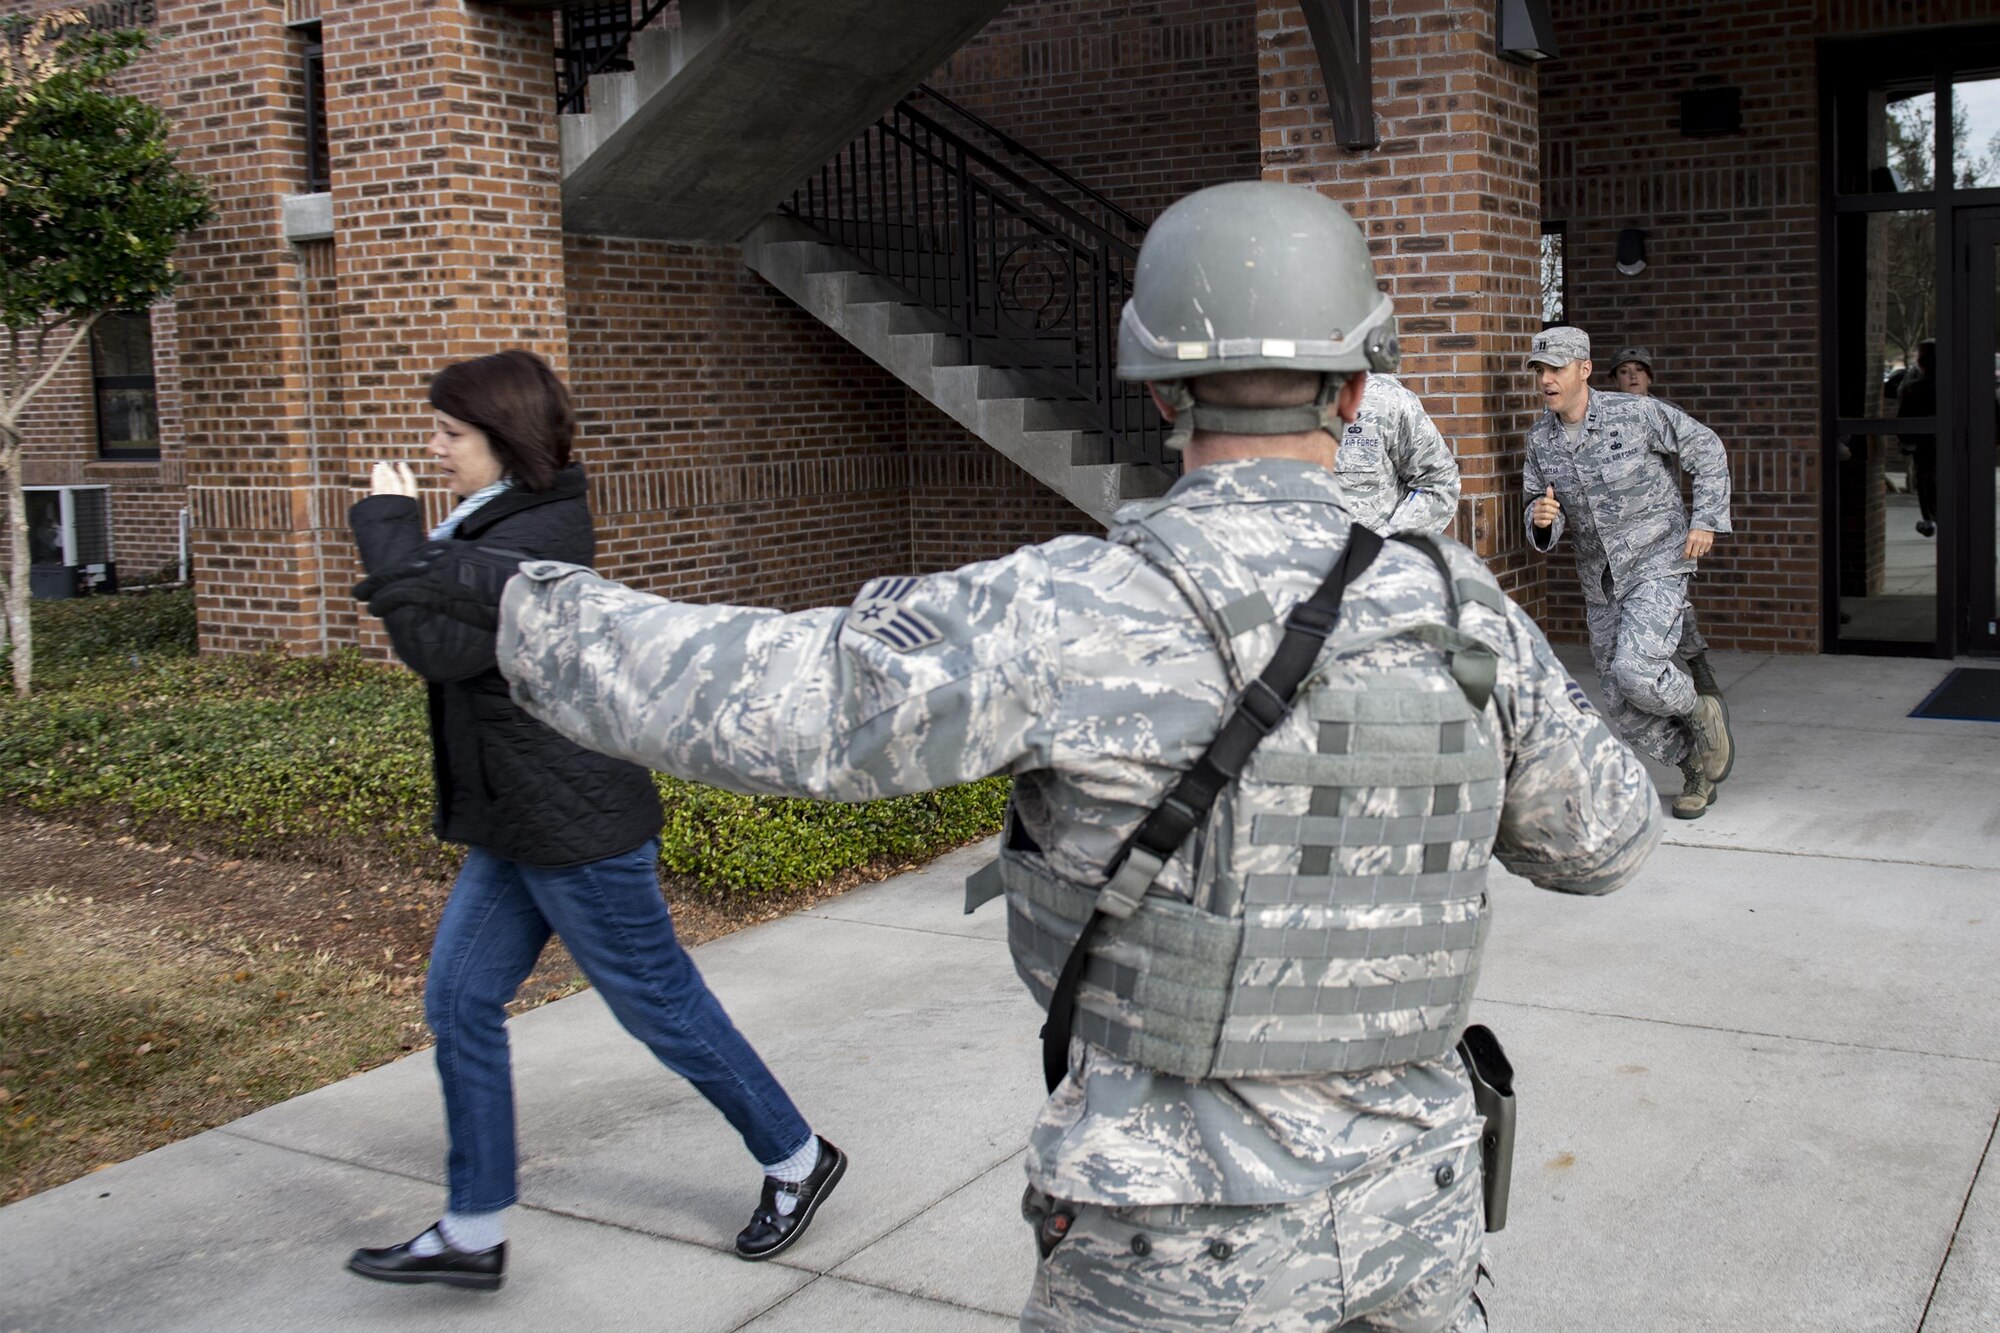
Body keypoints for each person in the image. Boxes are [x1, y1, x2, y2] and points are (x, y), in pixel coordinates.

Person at [360, 184, 1664, 1330]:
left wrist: (520, 599)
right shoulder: (1458, 601)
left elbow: (786, 703)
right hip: (1418, 1217)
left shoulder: (1074, 608)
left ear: (1153, 384)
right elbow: (1600, 835)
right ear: (1361, 387)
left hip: (1177, 1237)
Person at [343, 349, 843, 1292]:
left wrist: (384, 525)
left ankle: (796, 1155)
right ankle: (473, 1226)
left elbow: (439, 645)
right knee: (458, 1000)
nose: (435, 447)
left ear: (503, 438)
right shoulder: (486, 519)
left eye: (451, 433)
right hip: (517, 815)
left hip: (573, 820)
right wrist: (415, 539)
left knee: (658, 1004)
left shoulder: (537, 535)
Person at [1524, 327, 1735, 819]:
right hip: (1601, 579)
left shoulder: (1635, 413)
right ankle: (1694, 766)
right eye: (1540, 371)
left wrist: (1705, 520)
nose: (1547, 380)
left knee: (1636, 671)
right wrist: (1541, 519)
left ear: (1584, 369)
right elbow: (1539, 504)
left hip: (1657, 560)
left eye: (1556, 368)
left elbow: (1706, 449)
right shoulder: (1541, 440)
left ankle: (1699, 709)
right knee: (1621, 705)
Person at [1607, 346, 1720, 697]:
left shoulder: (1665, 413)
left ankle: (1697, 662)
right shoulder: (1605, 415)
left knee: (1673, 602)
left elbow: (1701, 451)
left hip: (1661, 527)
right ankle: (1636, 666)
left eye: (1640, 369)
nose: (1633, 376)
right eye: (1625, 371)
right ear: (1614, 379)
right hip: (1617, 530)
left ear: (1650, 376)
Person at [1334, 371, 1462, 535]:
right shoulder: (1290, 398)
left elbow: (1440, 482)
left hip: (1366, 555)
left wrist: (1384, 546)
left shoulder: (1384, 398)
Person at [1897, 340, 1938, 538]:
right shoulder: (1963, 386)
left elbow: (1904, 426)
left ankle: (1930, 520)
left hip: (1927, 455)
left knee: (1931, 494)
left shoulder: (1915, 389)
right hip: (1961, 456)